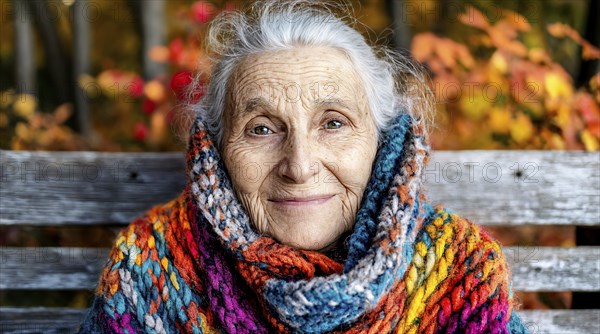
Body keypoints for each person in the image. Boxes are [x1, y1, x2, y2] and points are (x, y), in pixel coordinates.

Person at [79, 1, 529, 333]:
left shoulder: (461, 273)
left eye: (333, 123)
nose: (299, 166)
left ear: (384, 141)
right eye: (260, 129)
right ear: (215, 150)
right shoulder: (149, 265)